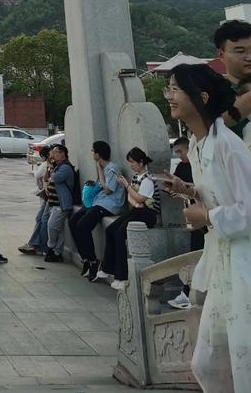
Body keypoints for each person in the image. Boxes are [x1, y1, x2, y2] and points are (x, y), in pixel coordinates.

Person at [162, 63, 251, 393]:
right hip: (223, 263)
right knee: (208, 362)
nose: (169, 96)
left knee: (242, 359)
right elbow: (219, 193)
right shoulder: (199, 145)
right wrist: (189, 190)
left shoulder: (228, 144)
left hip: (243, 262)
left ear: (201, 97)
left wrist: (208, 218)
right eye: (169, 89)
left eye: (175, 89)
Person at [91, 147, 159, 290]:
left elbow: (139, 198)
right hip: (137, 210)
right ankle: (107, 268)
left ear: (141, 162)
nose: (131, 165)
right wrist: (134, 198)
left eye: (132, 162)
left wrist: (127, 187)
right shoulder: (135, 177)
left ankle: (121, 277)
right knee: (110, 230)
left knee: (119, 234)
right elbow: (132, 199)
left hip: (148, 214)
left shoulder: (147, 179)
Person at [69, 140, 126, 281]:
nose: (91, 153)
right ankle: (86, 259)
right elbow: (101, 185)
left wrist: (99, 169)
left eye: (93, 151)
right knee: (73, 221)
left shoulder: (112, 168)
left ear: (98, 154)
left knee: (83, 226)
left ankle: (94, 261)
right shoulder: (103, 167)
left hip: (109, 205)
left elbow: (108, 190)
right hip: (98, 202)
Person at [167, 136, 204, 309]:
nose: (179, 156)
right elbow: (176, 184)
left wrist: (185, 190)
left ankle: (191, 293)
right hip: (194, 217)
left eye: (180, 152)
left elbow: (201, 189)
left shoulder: (200, 163)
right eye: (176, 153)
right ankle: (187, 292)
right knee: (195, 253)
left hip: (206, 214)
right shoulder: (181, 167)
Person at [213, 19, 251, 148]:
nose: (249, 57)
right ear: (221, 55)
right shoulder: (212, 93)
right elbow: (212, 126)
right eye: (240, 51)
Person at [18, 144, 51, 255]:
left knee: (43, 220)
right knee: (40, 219)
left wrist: (35, 165)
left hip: (49, 197)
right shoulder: (48, 164)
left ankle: (40, 246)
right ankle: (35, 244)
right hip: (46, 196)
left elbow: (38, 176)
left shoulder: (47, 165)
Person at [45, 143, 75, 263]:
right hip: (54, 203)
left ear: (63, 154)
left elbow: (56, 178)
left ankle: (51, 246)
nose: (53, 154)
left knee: (51, 225)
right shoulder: (58, 167)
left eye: (56, 152)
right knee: (59, 229)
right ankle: (57, 252)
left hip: (61, 204)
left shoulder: (65, 168)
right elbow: (47, 179)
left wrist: (51, 169)